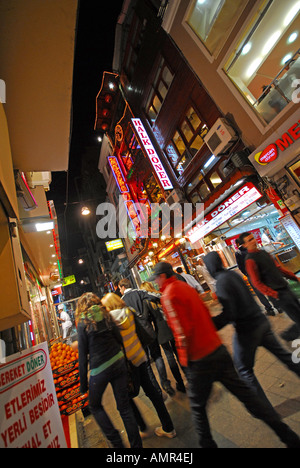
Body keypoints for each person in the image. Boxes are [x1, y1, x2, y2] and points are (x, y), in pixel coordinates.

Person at [148, 261, 300, 448]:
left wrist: (186, 360)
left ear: (162, 276)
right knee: (248, 397)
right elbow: (204, 313)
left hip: (200, 358)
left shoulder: (168, 295)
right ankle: (288, 436)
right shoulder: (185, 287)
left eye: (155, 278)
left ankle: (208, 445)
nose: (155, 281)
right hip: (218, 351)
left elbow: (181, 332)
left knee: (197, 409)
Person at [203, 251, 300, 410]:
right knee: (286, 357)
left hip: (247, 331)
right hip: (261, 323)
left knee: (244, 369)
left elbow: (230, 313)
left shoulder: (221, 282)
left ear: (210, 267)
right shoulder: (233, 275)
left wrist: (211, 324)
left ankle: (263, 409)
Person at [101, 293, 176, 439]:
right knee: (153, 393)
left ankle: (141, 427)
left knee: (126, 398)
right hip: (140, 356)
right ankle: (169, 427)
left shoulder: (110, 321)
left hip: (127, 364)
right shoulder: (129, 312)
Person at [75, 292, 142, 448]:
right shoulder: (106, 315)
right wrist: (124, 360)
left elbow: (83, 357)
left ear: (81, 307)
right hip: (118, 362)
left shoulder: (82, 322)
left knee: (94, 405)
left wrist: (83, 385)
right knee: (124, 407)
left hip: (100, 370)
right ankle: (136, 446)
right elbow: (119, 338)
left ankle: (117, 443)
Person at [239, 231, 300, 341]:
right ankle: (287, 335)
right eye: (249, 240)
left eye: (253, 238)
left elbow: (279, 269)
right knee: (298, 317)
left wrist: (295, 278)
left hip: (285, 287)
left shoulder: (264, 253)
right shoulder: (250, 261)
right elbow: (257, 283)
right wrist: (274, 294)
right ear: (245, 245)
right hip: (278, 293)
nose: (253, 241)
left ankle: (288, 335)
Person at [118, 278, 172, 396]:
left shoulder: (121, 301)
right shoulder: (140, 292)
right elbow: (156, 296)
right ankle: (165, 383)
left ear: (122, 287)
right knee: (157, 356)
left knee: (147, 365)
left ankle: (157, 391)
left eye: (119, 288)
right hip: (149, 332)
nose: (120, 291)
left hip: (136, 338)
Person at [140, 281, 186, 393]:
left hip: (161, 331)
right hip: (170, 326)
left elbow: (145, 317)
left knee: (170, 357)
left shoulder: (146, 301)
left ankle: (181, 384)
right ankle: (189, 377)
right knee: (179, 353)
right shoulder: (160, 295)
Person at [235, 238, 276, 316]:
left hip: (251, 275)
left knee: (259, 292)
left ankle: (269, 309)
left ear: (237, 244)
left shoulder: (238, 253)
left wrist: (247, 274)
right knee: (267, 288)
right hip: (260, 272)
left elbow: (240, 266)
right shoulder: (251, 248)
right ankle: (278, 306)